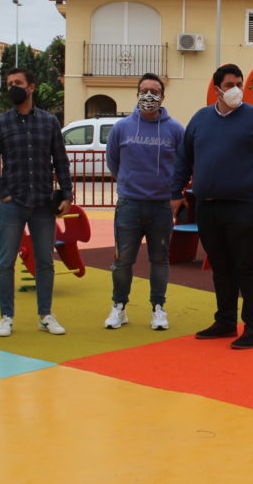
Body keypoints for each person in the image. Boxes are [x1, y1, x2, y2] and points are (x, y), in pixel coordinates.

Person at [171, 64, 253, 350]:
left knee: (247, 265)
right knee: (221, 266)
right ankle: (224, 321)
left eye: (239, 83)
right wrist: (174, 192)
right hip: (208, 205)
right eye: (229, 84)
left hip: (247, 204)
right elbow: (184, 158)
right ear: (216, 89)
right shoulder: (200, 120)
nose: (236, 89)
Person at [0, 67, 73, 337]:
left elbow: (60, 160)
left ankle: (45, 315)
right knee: (5, 261)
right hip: (13, 203)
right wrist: (3, 192)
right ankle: (6, 317)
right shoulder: (0, 123)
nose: (13, 87)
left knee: (46, 260)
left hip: (43, 203)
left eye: (18, 83)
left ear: (31, 87)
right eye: (9, 83)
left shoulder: (49, 122)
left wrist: (66, 194)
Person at [104, 73, 185, 331]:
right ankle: (119, 307)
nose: (149, 96)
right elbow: (113, 162)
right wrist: (128, 183)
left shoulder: (175, 130)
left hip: (161, 206)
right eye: (144, 90)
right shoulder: (121, 128)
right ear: (137, 94)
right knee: (123, 260)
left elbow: (184, 165)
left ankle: (158, 308)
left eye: (154, 91)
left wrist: (175, 193)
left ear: (163, 96)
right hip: (129, 205)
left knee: (160, 260)